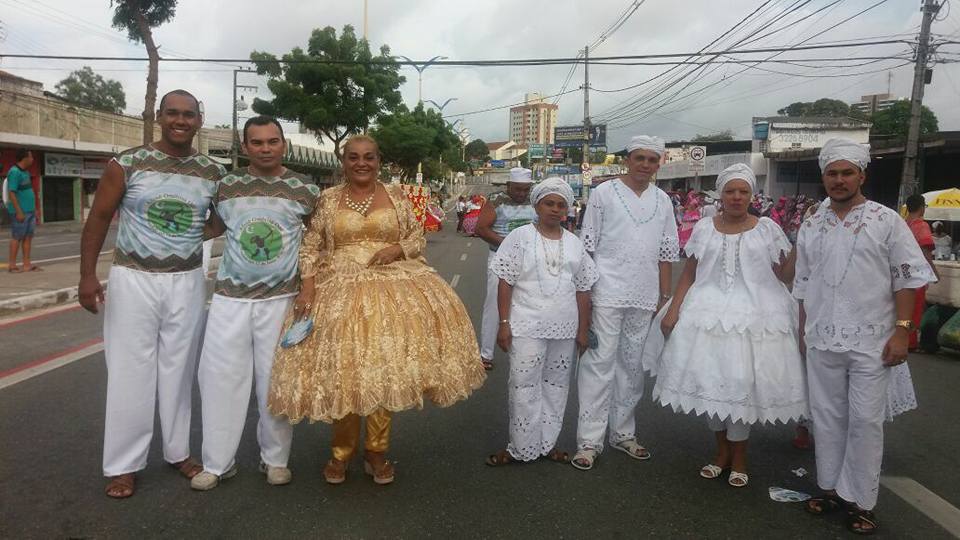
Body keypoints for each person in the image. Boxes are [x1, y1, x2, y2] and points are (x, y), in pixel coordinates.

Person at [267, 135, 485, 485]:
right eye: (353, 157)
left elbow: (416, 237)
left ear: (379, 161)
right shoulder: (328, 199)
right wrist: (307, 287)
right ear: (343, 162)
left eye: (369, 157)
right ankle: (341, 453)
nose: (361, 163)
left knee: (383, 371)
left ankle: (376, 452)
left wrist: (397, 249)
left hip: (392, 290)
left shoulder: (397, 195)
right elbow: (309, 247)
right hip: (339, 291)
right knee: (346, 373)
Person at [78, 90, 225, 498]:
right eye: (172, 113)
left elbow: (224, 219)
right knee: (130, 371)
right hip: (133, 278)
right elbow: (99, 219)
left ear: (199, 120)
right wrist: (87, 276)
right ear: (159, 116)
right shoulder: (126, 164)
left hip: (186, 279)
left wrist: (194, 234)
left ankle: (178, 452)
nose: (180, 120)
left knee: (180, 369)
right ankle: (124, 465)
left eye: (189, 114)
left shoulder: (213, 172)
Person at [795, 138, 935, 535]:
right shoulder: (811, 223)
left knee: (866, 421)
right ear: (824, 177)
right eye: (832, 173)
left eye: (847, 172)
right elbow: (803, 282)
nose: (839, 180)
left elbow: (906, 278)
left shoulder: (885, 220)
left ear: (862, 175)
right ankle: (830, 488)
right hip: (822, 337)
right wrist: (803, 330)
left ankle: (862, 500)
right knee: (826, 416)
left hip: (872, 340)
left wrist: (902, 332)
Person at [653, 163, 807, 488]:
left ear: (752, 195)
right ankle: (721, 452)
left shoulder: (767, 229)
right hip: (706, 312)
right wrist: (673, 310)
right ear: (721, 195)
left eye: (743, 191)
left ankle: (739, 457)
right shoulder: (704, 228)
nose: (737, 197)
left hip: (756, 316)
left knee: (740, 384)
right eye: (730, 191)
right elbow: (690, 273)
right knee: (712, 382)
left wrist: (801, 242)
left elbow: (784, 276)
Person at [189, 116, 320, 491]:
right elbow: (213, 228)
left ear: (283, 145)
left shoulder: (305, 190)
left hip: (282, 300)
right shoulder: (226, 186)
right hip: (230, 299)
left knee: (275, 381)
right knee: (219, 379)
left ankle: (275, 460)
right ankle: (217, 463)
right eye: (257, 142)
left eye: (272, 141)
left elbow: (316, 242)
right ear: (244, 147)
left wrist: (309, 288)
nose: (265, 148)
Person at [572, 135, 679, 471]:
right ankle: (589, 441)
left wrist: (663, 296)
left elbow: (666, 252)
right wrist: (587, 295)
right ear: (628, 160)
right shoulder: (604, 193)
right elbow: (587, 248)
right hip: (606, 291)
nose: (645, 165)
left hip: (644, 296)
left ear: (659, 163)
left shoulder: (663, 200)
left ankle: (623, 433)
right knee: (599, 363)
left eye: (652, 159)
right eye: (639, 158)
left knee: (632, 366)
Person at [485, 178, 598, 466]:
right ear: (537, 206)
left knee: (556, 387)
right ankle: (520, 447)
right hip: (526, 324)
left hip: (564, 327)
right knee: (523, 386)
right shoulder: (519, 237)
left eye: (561, 205)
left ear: (567, 210)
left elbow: (583, 289)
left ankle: (547, 444)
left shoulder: (574, 243)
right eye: (549, 203)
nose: (555, 209)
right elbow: (505, 282)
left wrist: (583, 330)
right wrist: (504, 323)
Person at [475, 168, 537, 371]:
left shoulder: (535, 199)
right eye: (517, 189)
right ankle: (486, 354)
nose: (521, 193)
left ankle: (525, 351)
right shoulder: (496, 200)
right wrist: (509, 244)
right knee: (494, 305)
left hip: (530, 260)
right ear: (509, 186)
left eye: (525, 189)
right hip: (500, 258)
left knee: (528, 304)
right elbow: (481, 228)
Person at [904, 194, 941, 350]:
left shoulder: (902, 224)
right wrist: (934, 272)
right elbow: (926, 252)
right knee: (915, 309)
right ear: (921, 207)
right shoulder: (921, 225)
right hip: (917, 273)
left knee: (903, 308)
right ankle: (910, 342)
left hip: (901, 272)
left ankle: (902, 338)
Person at [6, 149, 39, 273]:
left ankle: (26, 264)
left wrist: (35, 209)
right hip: (20, 211)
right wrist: (19, 211)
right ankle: (12, 265)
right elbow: (12, 193)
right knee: (17, 237)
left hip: (30, 210)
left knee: (28, 237)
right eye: (31, 157)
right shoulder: (14, 172)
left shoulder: (26, 172)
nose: (32, 159)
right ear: (24, 158)